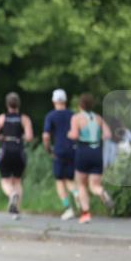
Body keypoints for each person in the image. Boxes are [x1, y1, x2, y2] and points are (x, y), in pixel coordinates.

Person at [68, 93, 114, 224]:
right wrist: (97, 138)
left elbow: (74, 135)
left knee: (81, 184)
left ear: (80, 105)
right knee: (95, 185)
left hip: (83, 150)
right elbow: (108, 134)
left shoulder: (77, 118)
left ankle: (86, 214)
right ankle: (102, 192)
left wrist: (69, 134)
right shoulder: (98, 118)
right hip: (97, 152)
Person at [0, 92, 34, 219]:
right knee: (17, 181)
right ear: (18, 104)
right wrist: (21, 137)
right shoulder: (24, 119)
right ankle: (16, 210)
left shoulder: (2, 118)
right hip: (19, 151)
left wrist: (2, 137)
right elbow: (29, 137)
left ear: (7, 104)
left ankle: (11, 194)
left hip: (6, 150)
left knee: (5, 180)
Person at [42, 89, 77, 220]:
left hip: (59, 150)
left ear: (54, 101)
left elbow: (46, 136)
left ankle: (68, 208)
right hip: (73, 150)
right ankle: (77, 194)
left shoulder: (50, 116)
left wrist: (48, 150)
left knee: (59, 181)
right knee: (69, 179)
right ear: (65, 101)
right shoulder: (73, 115)